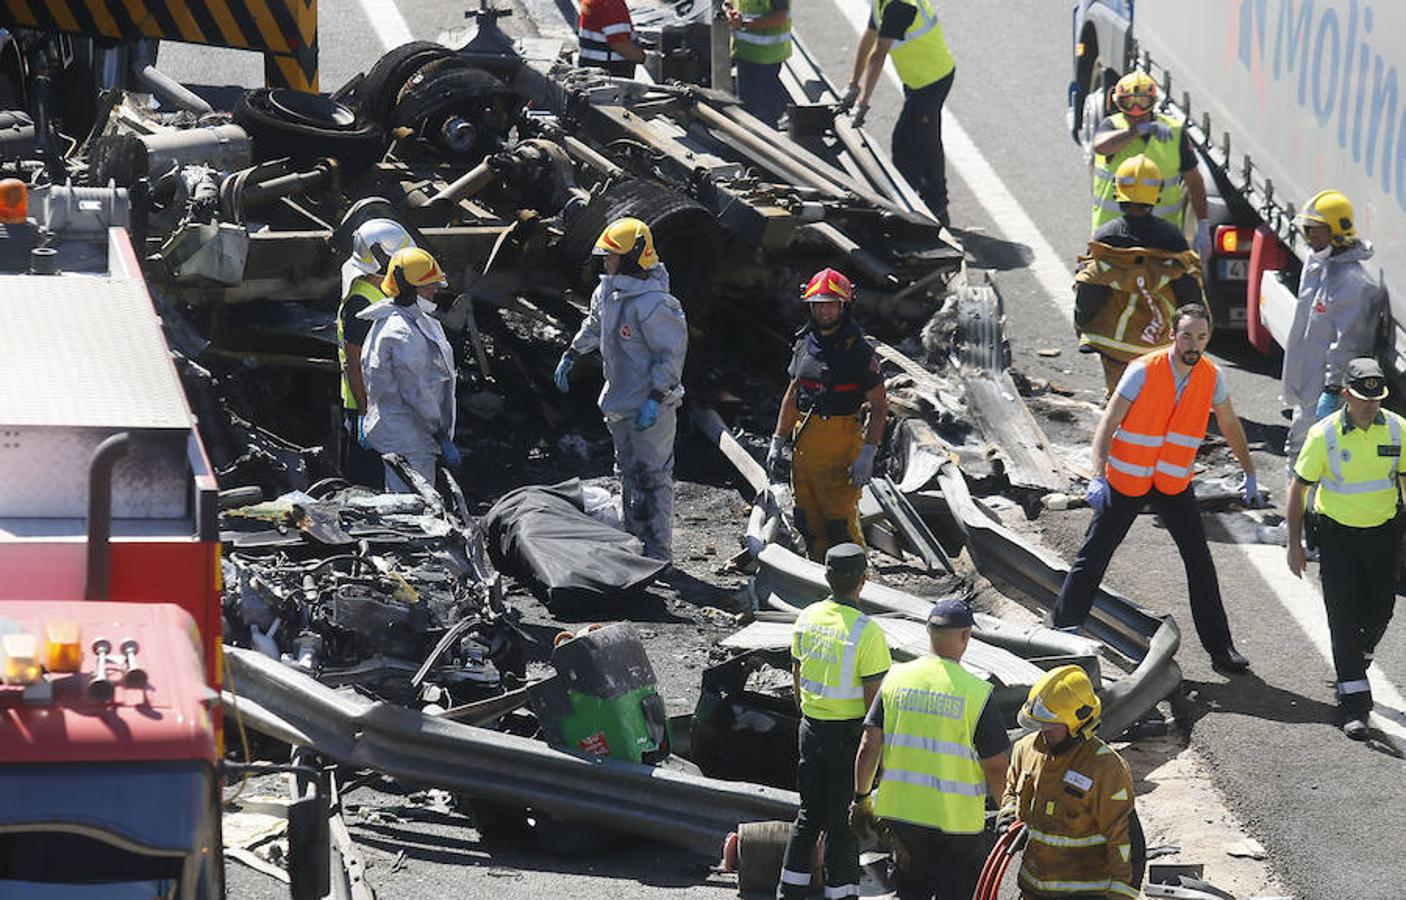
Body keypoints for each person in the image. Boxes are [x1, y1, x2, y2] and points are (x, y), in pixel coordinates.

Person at [1051, 304, 1257, 674]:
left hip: (1173, 483)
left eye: (1201, 337)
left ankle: (1221, 649)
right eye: (1187, 335)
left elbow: (1229, 423)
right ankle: (1063, 628)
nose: (1194, 344)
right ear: (1173, 336)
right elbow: (1108, 422)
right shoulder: (1144, 371)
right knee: (1093, 555)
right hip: (1128, 479)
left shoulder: (1212, 377)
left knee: (1200, 563)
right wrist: (1097, 476)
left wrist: (1250, 471)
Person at [851, 598, 1010, 900]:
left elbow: (869, 745)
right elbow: (996, 767)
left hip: (903, 816)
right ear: (965, 636)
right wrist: (1008, 816)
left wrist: (861, 798)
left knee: (910, 892)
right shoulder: (976, 692)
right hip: (957, 823)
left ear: (929, 632)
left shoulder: (895, 678)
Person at [554, 217, 687, 562]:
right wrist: (573, 352)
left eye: (612, 256)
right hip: (620, 402)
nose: (605, 261)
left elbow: (670, 357)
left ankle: (658, 553)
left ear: (632, 257)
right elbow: (594, 324)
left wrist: (656, 398)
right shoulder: (608, 292)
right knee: (628, 474)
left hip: (650, 406)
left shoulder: (656, 303)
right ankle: (636, 544)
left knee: (654, 478)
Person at [1286, 358, 1405, 740]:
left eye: (1376, 398)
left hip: (1383, 537)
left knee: (1381, 609)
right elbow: (1298, 489)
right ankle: (1354, 705)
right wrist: (1294, 545)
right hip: (1337, 538)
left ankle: (1359, 656)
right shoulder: (1325, 435)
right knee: (1343, 616)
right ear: (1345, 395)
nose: (1370, 406)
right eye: (1362, 398)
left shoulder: (1399, 430)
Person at [778, 543, 892, 900]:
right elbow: (875, 706)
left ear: (827, 577)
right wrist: (880, 758)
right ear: (864, 580)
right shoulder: (867, 632)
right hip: (849, 736)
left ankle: (790, 890)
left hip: (810, 728)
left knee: (809, 815)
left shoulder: (807, 616)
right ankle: (840, 894)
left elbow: (797, 675)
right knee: (844, 820)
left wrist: (810, 713)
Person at [766, 268, 887, 561]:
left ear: (844, 305)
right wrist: (778, 439)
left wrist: (868, 453)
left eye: (831, 304)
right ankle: (819, 580)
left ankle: (853, 589)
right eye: (818, 304)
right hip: (805, 443)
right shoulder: (805, 342)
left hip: (840, 444)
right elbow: (793, 393)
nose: (824, 310)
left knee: (839, 523)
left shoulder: (858, 351)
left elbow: (880, 406)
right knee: (806, 516)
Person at [999, 665, 1140, 900]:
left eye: (1051, 723)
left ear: (1077, 722)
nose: (1044, 730)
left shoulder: (1105, 767)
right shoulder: (1026, 750)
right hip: (1032, 890)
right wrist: (1007, 815)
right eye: (1041, 722)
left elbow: (1125, 841)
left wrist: (1121, 896)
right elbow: (1012, 792)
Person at [1074, 154, 1205, 396]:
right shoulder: (1172, 239)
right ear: (1157, 194)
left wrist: (1083, 325)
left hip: (1113, 345)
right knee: (1154, 400)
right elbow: (1189, 294)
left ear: (1117, 192)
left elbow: (1089, 288)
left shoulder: (1105, 238)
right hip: (1159, 347)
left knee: (1120, 402)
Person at [1280, 190, 1386, 467]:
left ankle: (1305, 510)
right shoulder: (1322, 266)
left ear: (1338, 231)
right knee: (1304, 454)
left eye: (1316, 231)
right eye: (1307, 230)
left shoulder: (1353, 284)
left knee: (1307, 457)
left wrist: (1331, 391)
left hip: (1324, 390)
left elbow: (1348, 347)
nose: (1309, 237)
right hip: (1309, 384)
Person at [840, 0, 954, 226]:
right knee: (927, 139)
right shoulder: (882, 3)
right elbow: (870, 37)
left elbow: (879, 53)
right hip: (920, 79)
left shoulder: (898, 6)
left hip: (931, 81)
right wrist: (854, 83)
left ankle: (905, 213)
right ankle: (937, 206)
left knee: (906, 143)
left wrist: (863, 103)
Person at [360, 247, 460, 494]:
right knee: (412, 509)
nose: (435, 290)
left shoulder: (406, 321)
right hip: (409, 436)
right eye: (428, 286)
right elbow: (415, 391)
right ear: (408, 289)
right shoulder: (401, 333)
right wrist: (440, 434)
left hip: (405, 431)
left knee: (406, 501)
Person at [338, 218, 417, 489]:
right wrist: (364, 413)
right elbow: (353, 363)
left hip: (384, 405)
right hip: (365, 407)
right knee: (366, 486)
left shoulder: (379, 293)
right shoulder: (361, 302)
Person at [1090, 71, 1208, 250]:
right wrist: (1138, 131)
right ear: (1118, 104)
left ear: (1152, 103)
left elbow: (1194, 182)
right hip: (1114, 236)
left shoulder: (1174, 132)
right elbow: (1100, 146)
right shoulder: (1112, 127)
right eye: (1128, 103)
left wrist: (1203, 225)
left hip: (1162, 237)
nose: (1136, 110)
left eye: (1142, 102)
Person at [725, 0, 791, 128]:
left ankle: (768, 143)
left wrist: (744, 24)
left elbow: (780, 17)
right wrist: (729, 11)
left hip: (767, 56)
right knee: (746, 106)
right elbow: (730, 2)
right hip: (744, 52)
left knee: (764, 111)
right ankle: (751, 140)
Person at [577, 0, 645, 77]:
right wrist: (643, 58)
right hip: (610, 73)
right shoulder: (610, 3)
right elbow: (619, 44)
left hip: (592, 69)